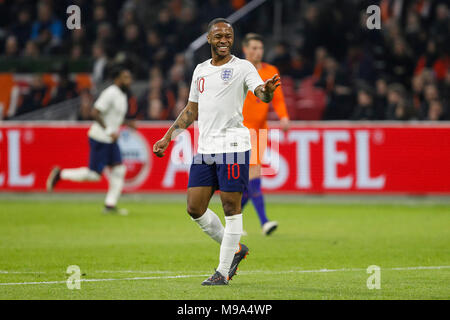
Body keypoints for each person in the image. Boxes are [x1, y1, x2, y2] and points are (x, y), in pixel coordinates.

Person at [153, 18, 280, 286]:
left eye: (229, 36)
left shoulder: (243, 67)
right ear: (209, 39)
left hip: (233, 146)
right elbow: (191, 110)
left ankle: (222, 273)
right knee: (194, 208)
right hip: (205, 149)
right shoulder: (200, 70)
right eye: (219, 36)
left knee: (230, 207)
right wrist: (168, 137)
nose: (224, 40)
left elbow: (260, 92)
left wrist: (266, 93)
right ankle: (234, 247)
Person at [46, 67, 135, 215]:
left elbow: (113, 117)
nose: (129, 81)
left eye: (129, 77)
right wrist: (108, 131)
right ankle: (60, 174)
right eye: (126, 77)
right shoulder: (110, 93)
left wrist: (127, 122)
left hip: (110, 139)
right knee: (93, 175)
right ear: (117, 79)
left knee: (119, 170)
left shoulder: (122, 94)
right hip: (100, 137)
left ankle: (110, 206)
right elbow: (95, 112)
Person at [241, 33, 290, 236]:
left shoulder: (271, 71)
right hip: (240, 130)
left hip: (260, 130)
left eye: (260, 48)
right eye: (253, 48)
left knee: (251, 176)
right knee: (249, 176)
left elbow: (277, 99)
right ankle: (263, 221)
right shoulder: (238, 70)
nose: (257, 52)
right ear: (245, 49)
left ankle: (238, 220)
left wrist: (284, 116)